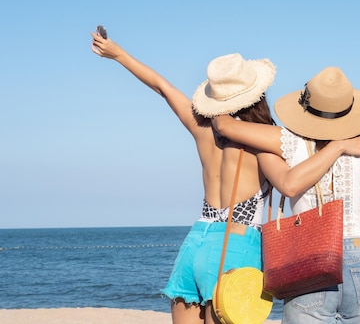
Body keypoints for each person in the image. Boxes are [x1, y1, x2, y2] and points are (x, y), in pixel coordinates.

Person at [212, 66, 360, 324]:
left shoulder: (287, 140)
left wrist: (226, 87)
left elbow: (223, 125)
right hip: (358, 256)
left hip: (308, 254)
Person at [91, 32, 278, 324]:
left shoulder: (203, 129)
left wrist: (118, 54)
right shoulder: (266, 138)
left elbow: (163, 87)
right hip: (236, 244)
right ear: (257, 95)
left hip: (196, 242)